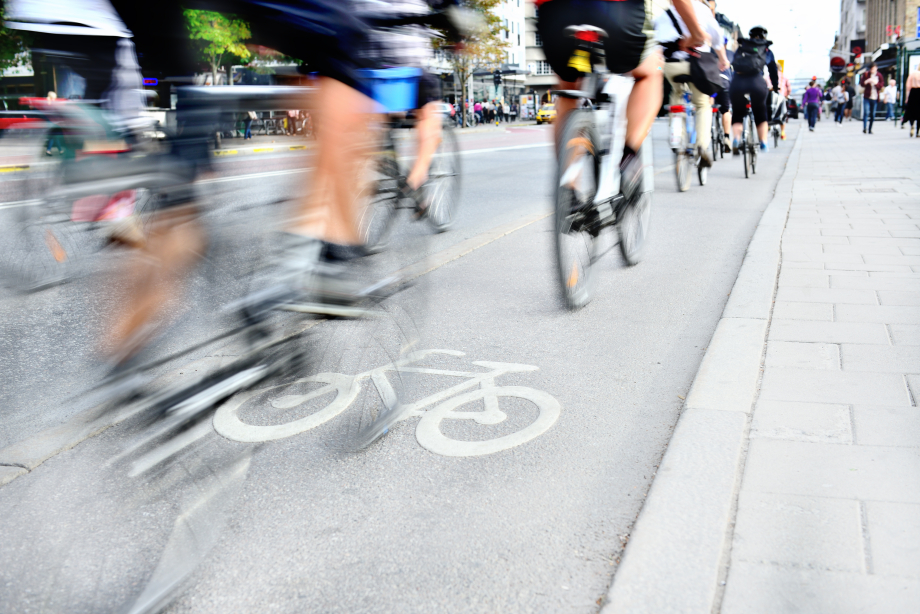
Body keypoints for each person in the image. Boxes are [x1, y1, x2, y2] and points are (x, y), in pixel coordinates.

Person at [536, 0, 705, 193]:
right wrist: (697, 34)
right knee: (652, 70)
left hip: (555, 15)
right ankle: (628, 159)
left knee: (568, 85)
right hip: (617, 13)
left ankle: (568, 188)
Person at [655, 0, 729, 170]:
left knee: (677, 93)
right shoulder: (703, 10)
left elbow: (657, 41)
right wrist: (723, 60)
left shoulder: (665, 13)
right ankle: (702, 146)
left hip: (672, 64)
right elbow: (717, 39)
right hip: (697, 64)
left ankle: (676, 136)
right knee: (702, 103)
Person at [729, 25, 778, 154]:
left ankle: (736, 138)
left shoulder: (742, 47)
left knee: (738, 113)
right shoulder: (766, 50)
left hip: (738, 82)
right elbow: (773, 71)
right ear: (764, 37)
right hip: (756, 83)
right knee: (760, 111)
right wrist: (776, 86)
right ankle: (763, 142)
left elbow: (733, 65)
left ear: (750, 36)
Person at [860, 62, 882, 134]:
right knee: (866, 112)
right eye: (872, 69)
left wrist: (875, 83)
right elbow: (862, 83)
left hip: (875, 97)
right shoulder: (866, 74)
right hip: (867, 96)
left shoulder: (879, 75)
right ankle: (864, 128)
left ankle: (870, 129)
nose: (873, 70)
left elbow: (880, 86)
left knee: (872, 114)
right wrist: (867, 81)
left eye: (874, 68)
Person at [903, 67, 920, 136]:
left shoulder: (912, 74)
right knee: (919, 113)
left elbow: (908, 86)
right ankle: (917, 131)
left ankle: (912, 125)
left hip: (913, 93)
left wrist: (907, 97)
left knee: (911, 111)